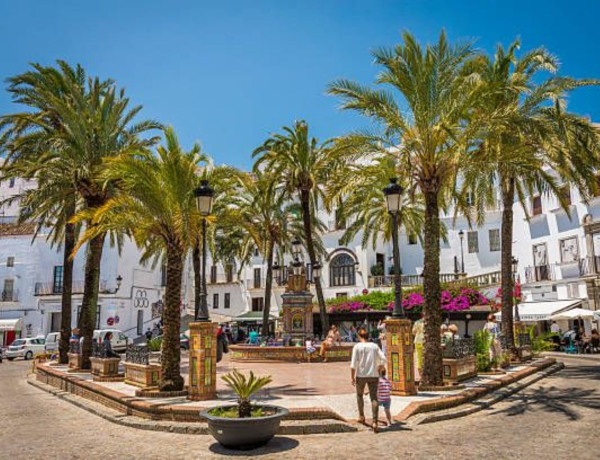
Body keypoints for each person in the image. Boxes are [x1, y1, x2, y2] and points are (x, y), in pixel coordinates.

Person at [351, 326, 386, 433]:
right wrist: (380, 366)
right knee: (374, 398)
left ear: (359, 336)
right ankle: (375, 421)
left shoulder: (357, 347)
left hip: (361, 375)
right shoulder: (374, 346)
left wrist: (352, 377)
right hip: (373, 375)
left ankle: (361, 416)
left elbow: (353, 365)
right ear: (368, 336)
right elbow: (383, 358)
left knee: (359, 395)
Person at [412, 315, 425, 381]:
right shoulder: (428, 322)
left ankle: (421, 376)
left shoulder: (417, 322)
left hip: (418, 341)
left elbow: (413, 332)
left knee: (419, 359)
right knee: (425, 359)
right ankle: (423, 375)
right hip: (425, 342)